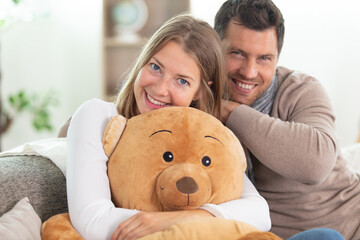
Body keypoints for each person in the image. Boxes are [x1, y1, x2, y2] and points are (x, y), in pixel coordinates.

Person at [66, 13, 271, 240]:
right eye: (155, 67)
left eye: (182, 81)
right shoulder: (98, 117)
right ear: (143, 61)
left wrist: (177, 219)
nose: (161, 89)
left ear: (200, 91)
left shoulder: (201, 137)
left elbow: (260, 213)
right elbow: (92, 220)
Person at [214, 0, 359, 239]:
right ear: (215, 46)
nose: (249, 72)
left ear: (277, 58)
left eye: (264, 59)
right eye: (237, 53)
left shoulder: (301, 90)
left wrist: (231, 112)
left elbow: (316, 164)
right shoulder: (195, 98)